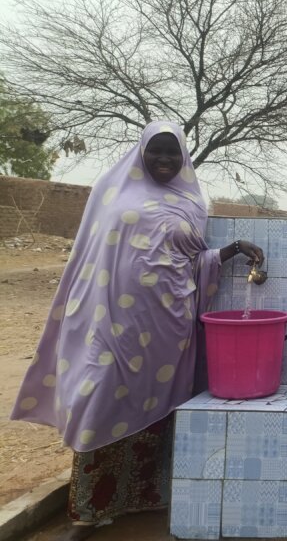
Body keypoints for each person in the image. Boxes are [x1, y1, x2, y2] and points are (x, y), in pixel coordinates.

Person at [9, 122, 264, 541]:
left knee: (157, 408)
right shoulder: (111, 196)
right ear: (140, 153)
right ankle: (86, 514)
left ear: (183, 158)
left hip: (168, 327)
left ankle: (143, 500)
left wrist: (233, 250)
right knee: (97, 401)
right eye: (156, 152)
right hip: (109, 324)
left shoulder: (191, 202)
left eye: (172, 154)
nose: (164, 161)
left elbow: (192, 262)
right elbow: (89, 259)